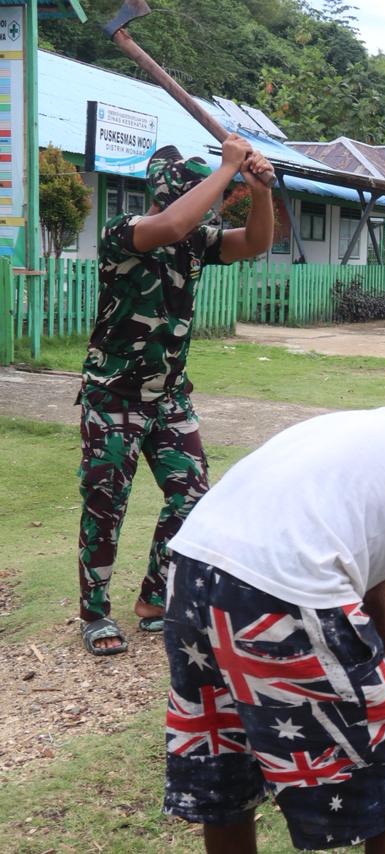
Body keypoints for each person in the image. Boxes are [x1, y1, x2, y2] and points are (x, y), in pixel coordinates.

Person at [162, 349, 385, 851]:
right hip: (285, 590)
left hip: (191, 569)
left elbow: (370, 581)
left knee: (229, 768)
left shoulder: (362, 428)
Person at [77, 135, 276, 656]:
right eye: (196, 193)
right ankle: (95, 613)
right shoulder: (127, 232)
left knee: (191, 497)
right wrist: (229, 166)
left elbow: (255, 243)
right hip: (114, 394)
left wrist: (260, 191)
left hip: (168, 397)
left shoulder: (197, 243)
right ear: (164, 193)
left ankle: (153, 599)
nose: (204, 203)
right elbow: (173, 224)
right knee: (105, 502)